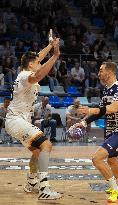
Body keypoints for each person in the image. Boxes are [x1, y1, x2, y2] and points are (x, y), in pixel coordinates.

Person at [5, 31, 62, 200]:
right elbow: (38, 73)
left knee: (38, 153)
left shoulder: (23, 71)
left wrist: (51, 46)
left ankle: (31, 183)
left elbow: (38, 56)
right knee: (46, 145)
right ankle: (44, 189)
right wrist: (55, 56)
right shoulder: (25, 76)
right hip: (16, 120)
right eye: (38, 62)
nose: (40, 62)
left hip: (17, 121)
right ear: (31, 65)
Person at [74, 62, 118, 203]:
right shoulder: (107, 90)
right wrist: (83, 122)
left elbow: (112, 109)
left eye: (101, 70)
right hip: (111, 131)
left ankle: (117, 192)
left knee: (96, 159)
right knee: (112, 160)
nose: (98, 73)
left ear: (110, 72)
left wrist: (90, 110)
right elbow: (100, 112)